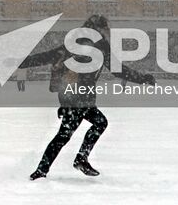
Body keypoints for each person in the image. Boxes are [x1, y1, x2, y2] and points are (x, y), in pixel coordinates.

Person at [19, 14, 154, 180]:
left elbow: (49, 56)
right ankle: (47, 169)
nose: (108, 31)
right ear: (99, 29)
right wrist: (142, 78)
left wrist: (22, 62)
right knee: (66, 135)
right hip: (78, 99)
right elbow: (117, 69)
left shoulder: (75, 43)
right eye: (106, 28)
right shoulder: (98, 45)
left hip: (74, 97)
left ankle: (70, 162)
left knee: (92, 125)